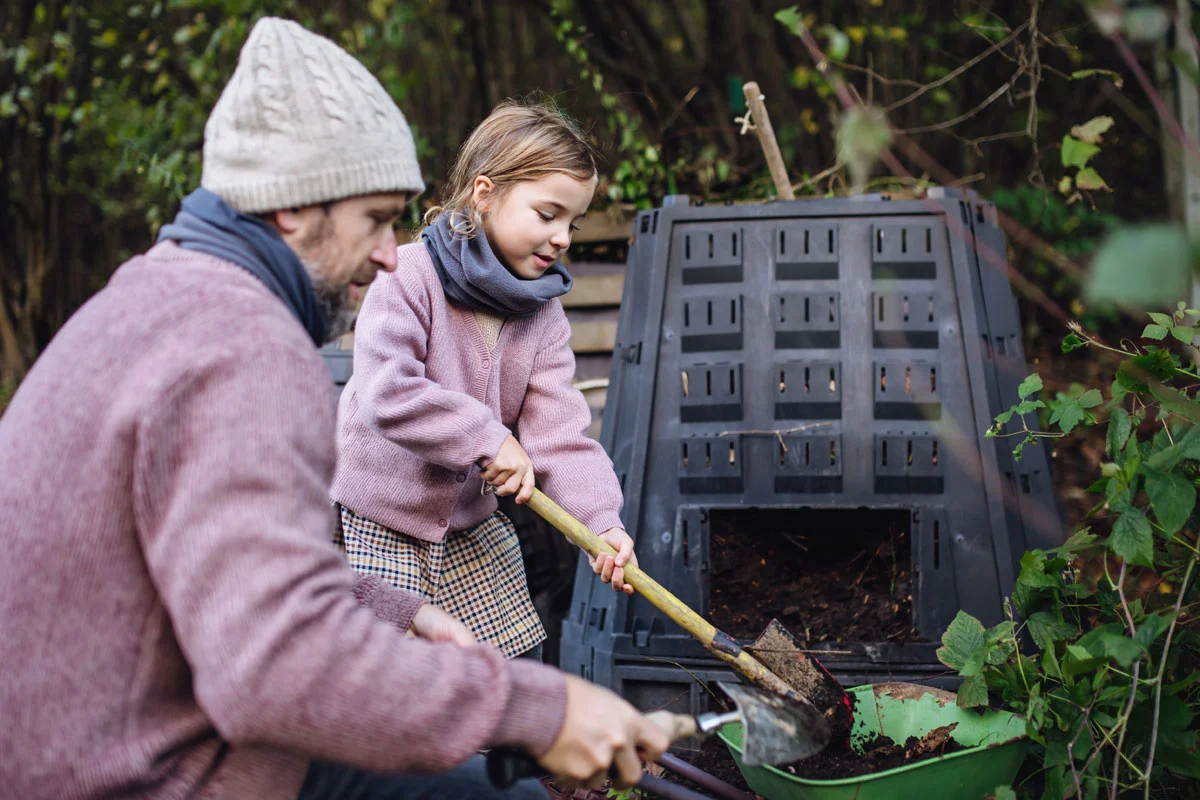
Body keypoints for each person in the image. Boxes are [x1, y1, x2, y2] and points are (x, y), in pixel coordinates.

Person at [0, 18, 667, 800]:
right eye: (376, 218)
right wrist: (542, 710)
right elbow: (274, 669)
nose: (390, 250)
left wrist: (389, 609)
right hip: (146, 770)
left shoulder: (151, 296)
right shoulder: (243, 346)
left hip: (127, 731)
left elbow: (227, 584)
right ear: (292, 210)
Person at [332, 101, 636, 661]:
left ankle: (526, 746)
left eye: (573, 222)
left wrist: (601, 524)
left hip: (467, 530)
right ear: (484, 193)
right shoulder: (407, 277)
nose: (563, 236)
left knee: (511, 674)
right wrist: (488, 437)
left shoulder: (543, 314)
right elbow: (387, 393)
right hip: (378, 521)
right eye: (548, 215)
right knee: (392, 681)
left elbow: (558, 438)